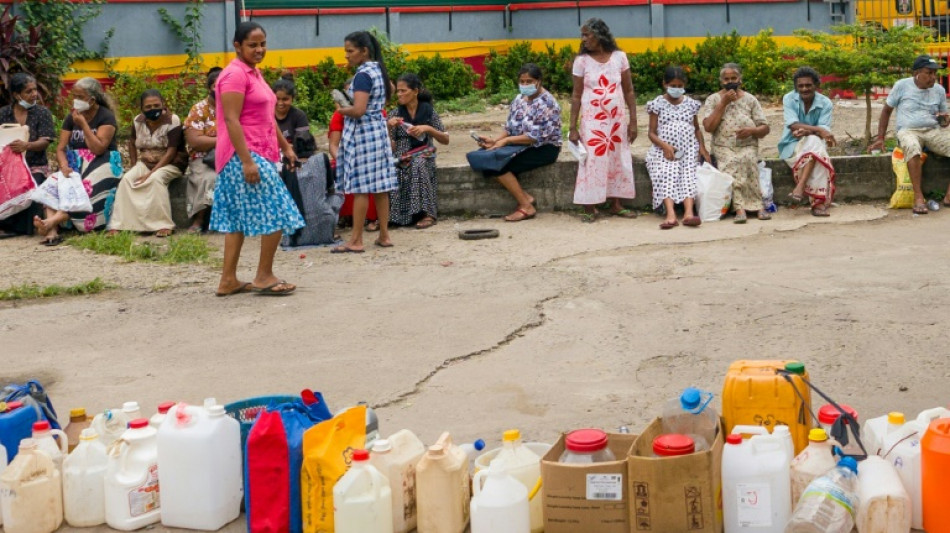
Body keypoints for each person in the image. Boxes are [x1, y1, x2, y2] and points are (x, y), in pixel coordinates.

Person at [211, 21, 304, 296]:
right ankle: (264, 275)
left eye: (262, 44)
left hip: (256, 151)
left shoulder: (254, 73)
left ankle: (228, 280)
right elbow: (231, 119)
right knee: (277, 210)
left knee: (237, 219)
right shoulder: (234, 76)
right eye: (252, 45)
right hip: (242, 154)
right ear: (237, 46)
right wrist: (247, 161)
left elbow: (265, 117)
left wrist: (285, 146)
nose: (259, 49)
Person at [34, 77, 121, 244]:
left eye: (80, 97)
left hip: (102, 162)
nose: (76, 100)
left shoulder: (106, 117)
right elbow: (60, 148)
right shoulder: (71, 117)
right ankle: (51, 232)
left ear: (92, 99)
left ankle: (53, 221)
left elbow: (98, 148)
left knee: (84, 188)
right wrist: (64, 166)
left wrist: (83, 124)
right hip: (74, 164)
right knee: (52, 184)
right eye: (74, 96)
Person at [333, 30, 397, 252]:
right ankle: (385, 235)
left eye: (350, 51)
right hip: (378, 129)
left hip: (363, 134)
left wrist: (342, 110)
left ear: (364, 51)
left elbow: (359, 110)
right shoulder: (379, 70)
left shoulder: (362, 75)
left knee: (361, 188)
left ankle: (356, 240)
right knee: (381, 186)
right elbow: (391, 91)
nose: (347, 56)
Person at [569, 18, 637, 222]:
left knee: (618, 159)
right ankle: (590, 206)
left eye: (587, 34)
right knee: (593, 160)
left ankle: (617, 204)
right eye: (582, 35)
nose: (584, 39)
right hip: (593, 121)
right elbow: (576, 95)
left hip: (616, 120)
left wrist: (633, 121)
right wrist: (572, 127)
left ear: (600, 35)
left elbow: (629, 91)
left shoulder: (620, 58)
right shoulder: (581, 61)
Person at [475, 63, 562, 222]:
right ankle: (525, 197)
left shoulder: (548, 103)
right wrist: (495, 140)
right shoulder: (519, 99)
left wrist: (506, 141)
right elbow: (510, 127)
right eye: (522, 81)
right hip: (520, 143)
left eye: (529, 81)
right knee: (484, 159)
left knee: (498, 165)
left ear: (539, 81)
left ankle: (526, 206)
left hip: (544, 148)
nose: (525, 85)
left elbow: (533, 137)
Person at [869, 54, 950, 214]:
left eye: (935, 73)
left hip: (933, 131)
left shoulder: (939, 90)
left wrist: (944, 120)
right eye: (929, 73)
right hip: (908, 131)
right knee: (912, 148)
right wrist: (880, 138)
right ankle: (918, 197)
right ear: (917, 73)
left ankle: (949, 195)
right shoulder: (902, 86)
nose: (933, 77)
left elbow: (944, 116)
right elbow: (886, 111)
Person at [107, 89, 186, 236]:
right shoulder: (138, 121)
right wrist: (134, 165)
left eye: (156, 105)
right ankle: (119, 224)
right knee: (127, 180)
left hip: (171, 164)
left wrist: (151, 173)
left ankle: (164, 224)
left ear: (163, 104)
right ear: (142, 109)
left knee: (155, 180)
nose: (153, 109)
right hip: (145, 162)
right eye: (148, 107)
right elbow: (131, 142)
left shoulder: (173, 120)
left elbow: (171, 151)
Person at [702, 63, 770, 223]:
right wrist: (723, 103)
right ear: (721, 81)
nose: (730, 81)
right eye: (726, 79)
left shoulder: (750, 99)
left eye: (734, 78)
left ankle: (758, 207)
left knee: (748, 161)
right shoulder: (713, 99)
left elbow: (765, 127)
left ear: (740, 79)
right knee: (731, 164)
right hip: (723, 147)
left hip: (747, 145)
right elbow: (708, 127)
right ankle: (739, 209)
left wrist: (752, 131)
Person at [646, 66, 709, 229]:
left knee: (689, 175)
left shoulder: (691, 104)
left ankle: (689, 213)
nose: (676, 89)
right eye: (673, 86)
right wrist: (666, 146)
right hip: (663, 151)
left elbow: (696, 128)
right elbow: (651, 133)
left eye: (680, 86)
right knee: (666, 174)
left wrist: (702, 147)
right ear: (665, 84)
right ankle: (671, 214)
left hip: (688, 149)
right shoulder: (657, 104)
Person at [387, 73, 449, 229]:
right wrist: (388, 128)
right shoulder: (395, 114)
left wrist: (427, 128)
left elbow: (445, 139)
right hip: (402, 155)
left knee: (418, 164)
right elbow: (390, 147)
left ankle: (428, 214)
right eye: (398, 91)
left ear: (415, 91)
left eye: (403, 91)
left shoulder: (428, 112)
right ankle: (400, 217)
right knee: (394, 168)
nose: (399, 94)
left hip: (424, 153)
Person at [0, 73, 56, 238]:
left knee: (30, 185)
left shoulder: (42, 113)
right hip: (7, 167)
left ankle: (23, 228)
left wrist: (27, 145)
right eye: (28, 91)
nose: (34, 94)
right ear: (17, 95)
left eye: (35, 90)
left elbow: (45, 141)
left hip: (35, 165)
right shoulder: (3, 114)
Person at [778, 66, 837, 217]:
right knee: (816, 147)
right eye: (801, 86)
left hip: (814, 146)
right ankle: (819, 203)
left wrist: (810, 131)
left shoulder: (825, 103)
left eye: (808, 85)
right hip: (791, 146)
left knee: (813, 143)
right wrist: (817, 130)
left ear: (816, 86)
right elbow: (793, 124)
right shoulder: (789, 98)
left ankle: (800, 187)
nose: (804, 89)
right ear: (796, 87)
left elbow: (823, 130)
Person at [329, 78, 378, 230]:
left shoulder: (375, 112)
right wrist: (344, 160)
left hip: (370, 157)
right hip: (346, 157)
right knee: (338, 170)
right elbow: (333, 146)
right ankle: (345, 215)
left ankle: (372, 218)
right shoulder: (339, 116)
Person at [183, 67, 222, 233]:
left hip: (230, 156)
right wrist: (224, 140)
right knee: (209, 178)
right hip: (203, 158)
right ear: (209, 87)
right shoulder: (199, 109)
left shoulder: (234, 106)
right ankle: (199, 220)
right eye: (216, 85)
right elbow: (195, 141)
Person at [273, 75, 310, 147]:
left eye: (285, 99)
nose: (280, 103)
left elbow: (302, 145)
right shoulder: (265, 115)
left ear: (292, 98)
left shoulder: (299, 116)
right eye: (277, 99)